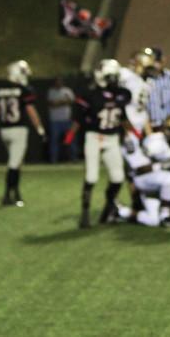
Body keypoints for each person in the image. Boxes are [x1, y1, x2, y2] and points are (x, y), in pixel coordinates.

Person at [68, 58, 135, 228]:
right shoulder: (90, 95)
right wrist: (69, 136)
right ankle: (85, 213)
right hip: (94, 137)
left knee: (118, 178)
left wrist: (134, 135)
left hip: (112, 138)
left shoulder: (121, 94)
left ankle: (108, 209)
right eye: (112, 77)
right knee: (91, 176)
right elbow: (78, 119)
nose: (115, 80)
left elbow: (123, 118)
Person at [0, 60, 46, 207]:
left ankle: (16, 192)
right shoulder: (23, 90)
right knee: (14, 164)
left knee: (17, 162)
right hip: (19, 130)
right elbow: (30, 111)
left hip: (3, 130)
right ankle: (8, 195)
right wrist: (40, 129)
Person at [46, 76, 76, 163]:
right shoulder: (51, 91)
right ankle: (53, 160)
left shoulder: (67, 90)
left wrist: (59, 102)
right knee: (54, 141)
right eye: (57, 81)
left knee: (70, 139)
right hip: (55, 121)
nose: (59, 83)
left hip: (67, 120)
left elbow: (71, 101)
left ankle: (73, 158)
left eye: (60, 81)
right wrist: (63, 101)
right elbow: (52, 104)